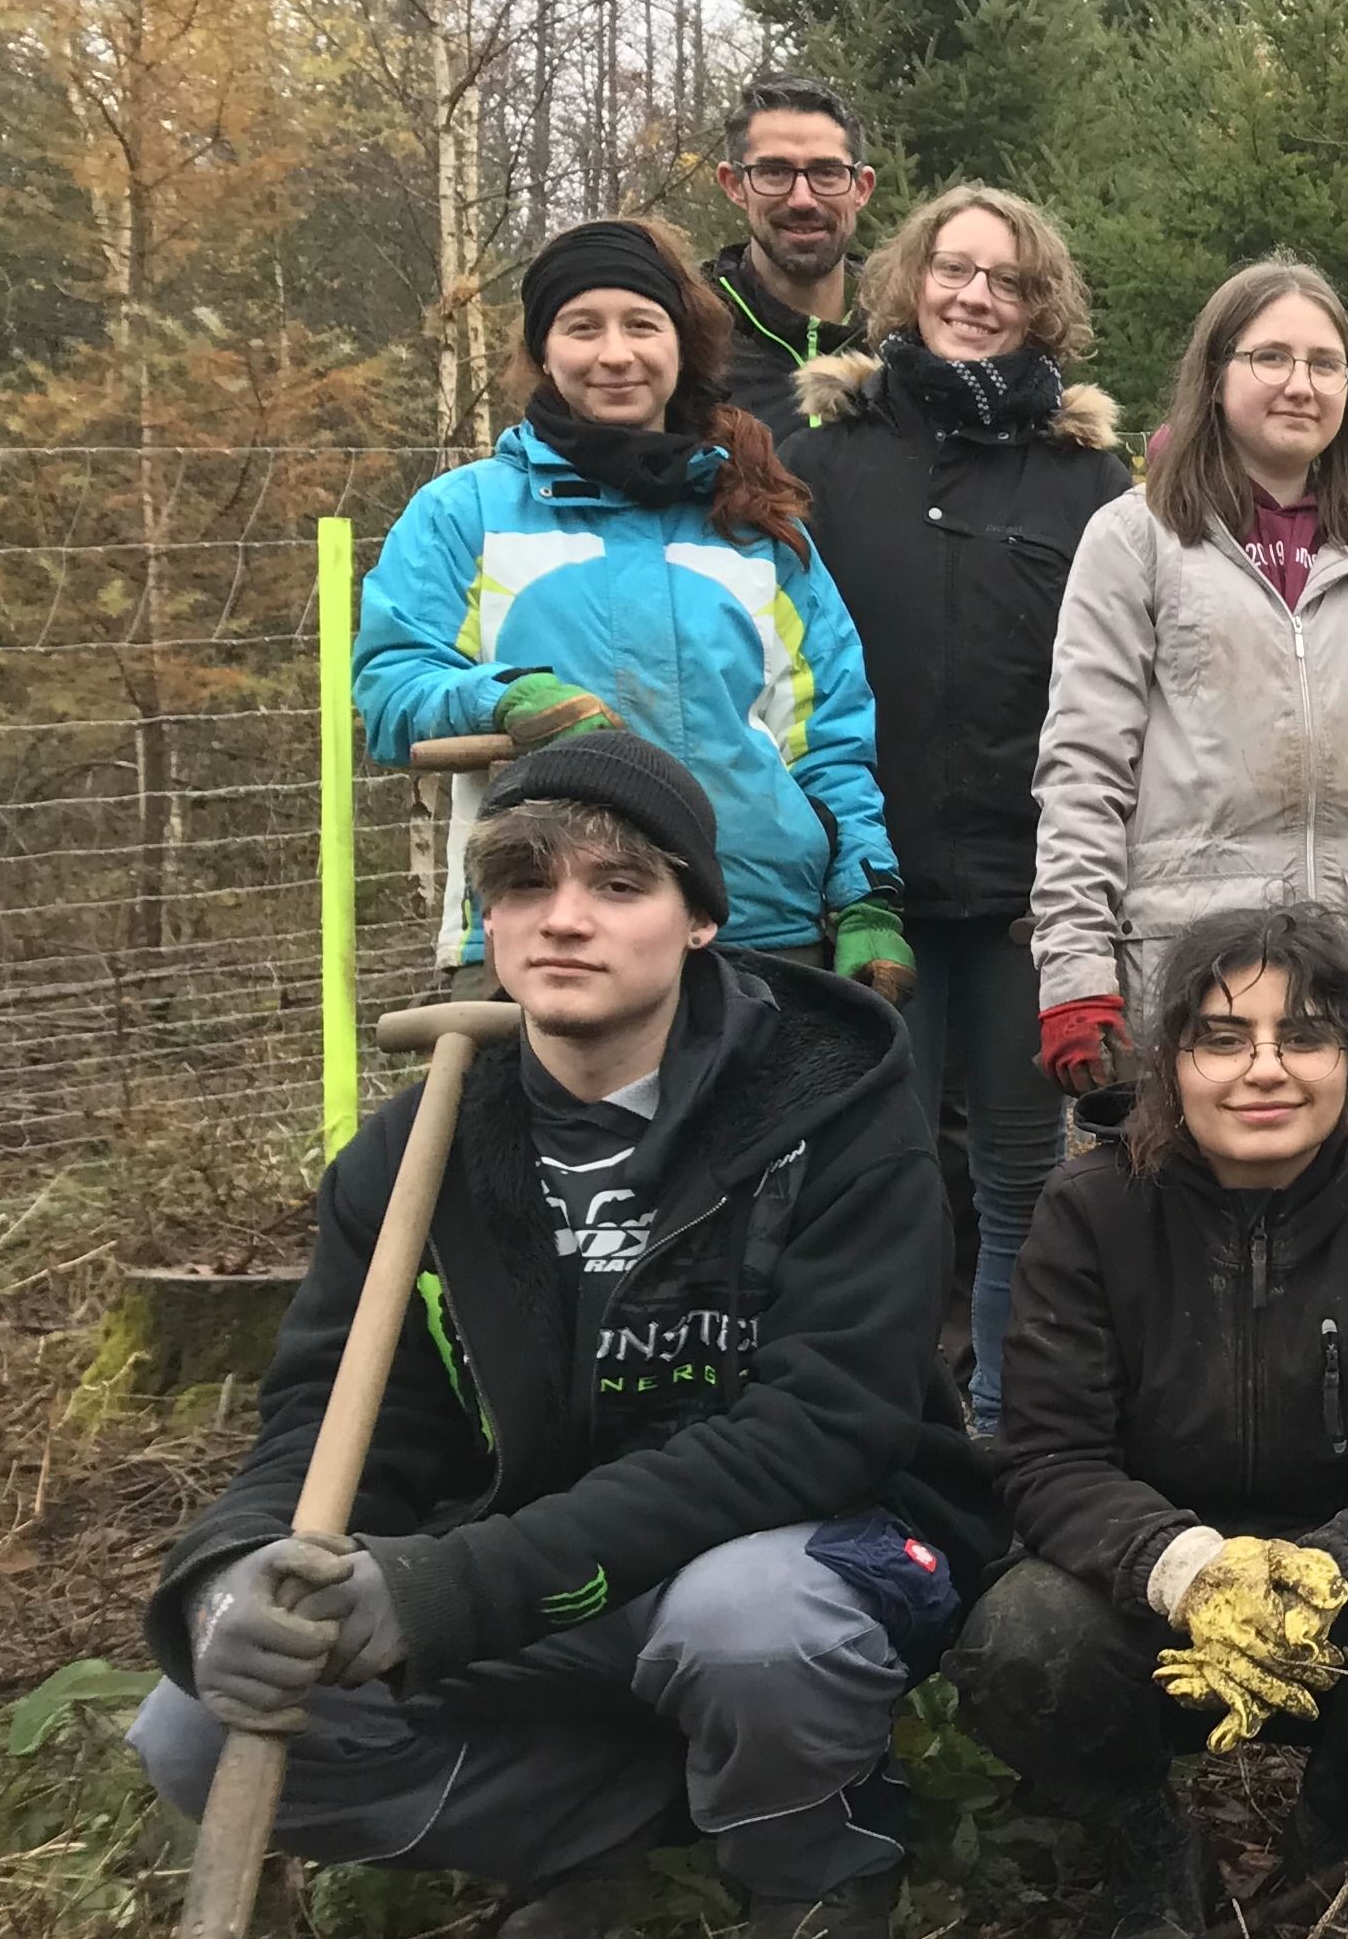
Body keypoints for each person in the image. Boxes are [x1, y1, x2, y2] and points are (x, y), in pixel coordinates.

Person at [131, 736, 987, 1939]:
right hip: (545, 1572)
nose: (563, 922)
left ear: (701, 918)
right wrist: (223, 1582)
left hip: (811, 1547)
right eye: (526, 887)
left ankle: (816, 1860)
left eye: (619, 887)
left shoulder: (834, 1114)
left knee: (746, 1627)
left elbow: (823, 1429)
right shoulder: (415, 1157)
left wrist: (453, 1588)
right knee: (195, 1733)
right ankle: (624, 1821)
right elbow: (336, 1421)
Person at [949, 907, 1348, 1939]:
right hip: (1149, 1599)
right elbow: (1046, 1460)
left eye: (1304, 1037)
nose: (1263, 1070)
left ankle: (1339, 1850)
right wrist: (1187, 1568)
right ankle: (1146, 1850)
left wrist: (1331, 1565)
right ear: (1168, 1060)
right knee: (1019, 1639)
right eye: (1222, 1038)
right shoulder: (1090, 1210)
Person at [781, 184, 1129, 1431]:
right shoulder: (823, 454)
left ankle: (1003, 1425)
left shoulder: (1086, 477)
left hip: (1028, 883)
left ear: (1044, 306)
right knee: (879, 1176)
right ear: (910, 283)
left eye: (1008, 280)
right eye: (955, 270)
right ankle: (879, 1427)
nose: (977, 297)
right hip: (863, 878)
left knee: (1023, 1173)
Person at [1030, 259, 1348, 1166]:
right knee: (1196, 1289)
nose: (1301, 384)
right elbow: (1084, 771)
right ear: (1216, 376)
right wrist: (1078, 977)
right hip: (1197, 997)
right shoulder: (1137, 540)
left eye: (1326, 364)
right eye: (1271, 357)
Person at [355, 216, 908, 990]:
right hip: (545, 941)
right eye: (582, 327)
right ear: (544, 352)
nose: (615, 354)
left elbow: (830, 745)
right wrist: (505, 698)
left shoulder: (757, 527)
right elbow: (390, 692)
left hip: (765, 938)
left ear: (681, 350)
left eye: (642, 325)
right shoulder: (463, 515)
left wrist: (864, 899)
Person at [706, 74, 875, 430]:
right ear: (734, 185)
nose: (802, 199)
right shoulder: (689, 328)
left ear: (861, 189)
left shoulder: (908, 332)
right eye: (774, 172)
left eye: (827, 172)